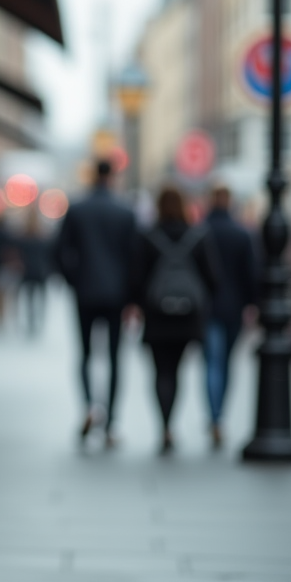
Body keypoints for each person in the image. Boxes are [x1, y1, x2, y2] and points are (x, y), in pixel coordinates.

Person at [53, 159, 136, 445]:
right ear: (112, 176)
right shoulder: (125, 212)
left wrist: (74, 280)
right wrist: (132, 296)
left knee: (86, 354)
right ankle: (111, 422)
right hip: (117, 296)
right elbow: (134, 259)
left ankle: (90, 406)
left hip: (85, 292)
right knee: (115, 358)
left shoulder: (77, 209)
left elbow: (60, 251)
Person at [131, 186, 219, 454]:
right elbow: (213, 278)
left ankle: (164, 425)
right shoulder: (197, 236)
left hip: (157, 315)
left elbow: (136, 276)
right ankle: (171, 424)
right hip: (187, 317)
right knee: (177, 371)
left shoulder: (148, 236)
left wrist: (136, 306)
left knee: (161, 372)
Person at [201, 185, 256, 448]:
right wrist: (252, 304)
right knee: (225, 363)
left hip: (207, 307)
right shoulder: (241, 234)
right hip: (233, 307)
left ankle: (215, 417)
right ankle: (219, 414)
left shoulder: (200, 232)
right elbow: (251, 274)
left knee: (212, 362)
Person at [15, 208, 54, 336]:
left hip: (28, 271)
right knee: (40, 297)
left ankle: (32, 321)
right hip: (40, 271)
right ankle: (38, 320)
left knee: (29, 298)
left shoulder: (23, 238)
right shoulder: (43, 238)